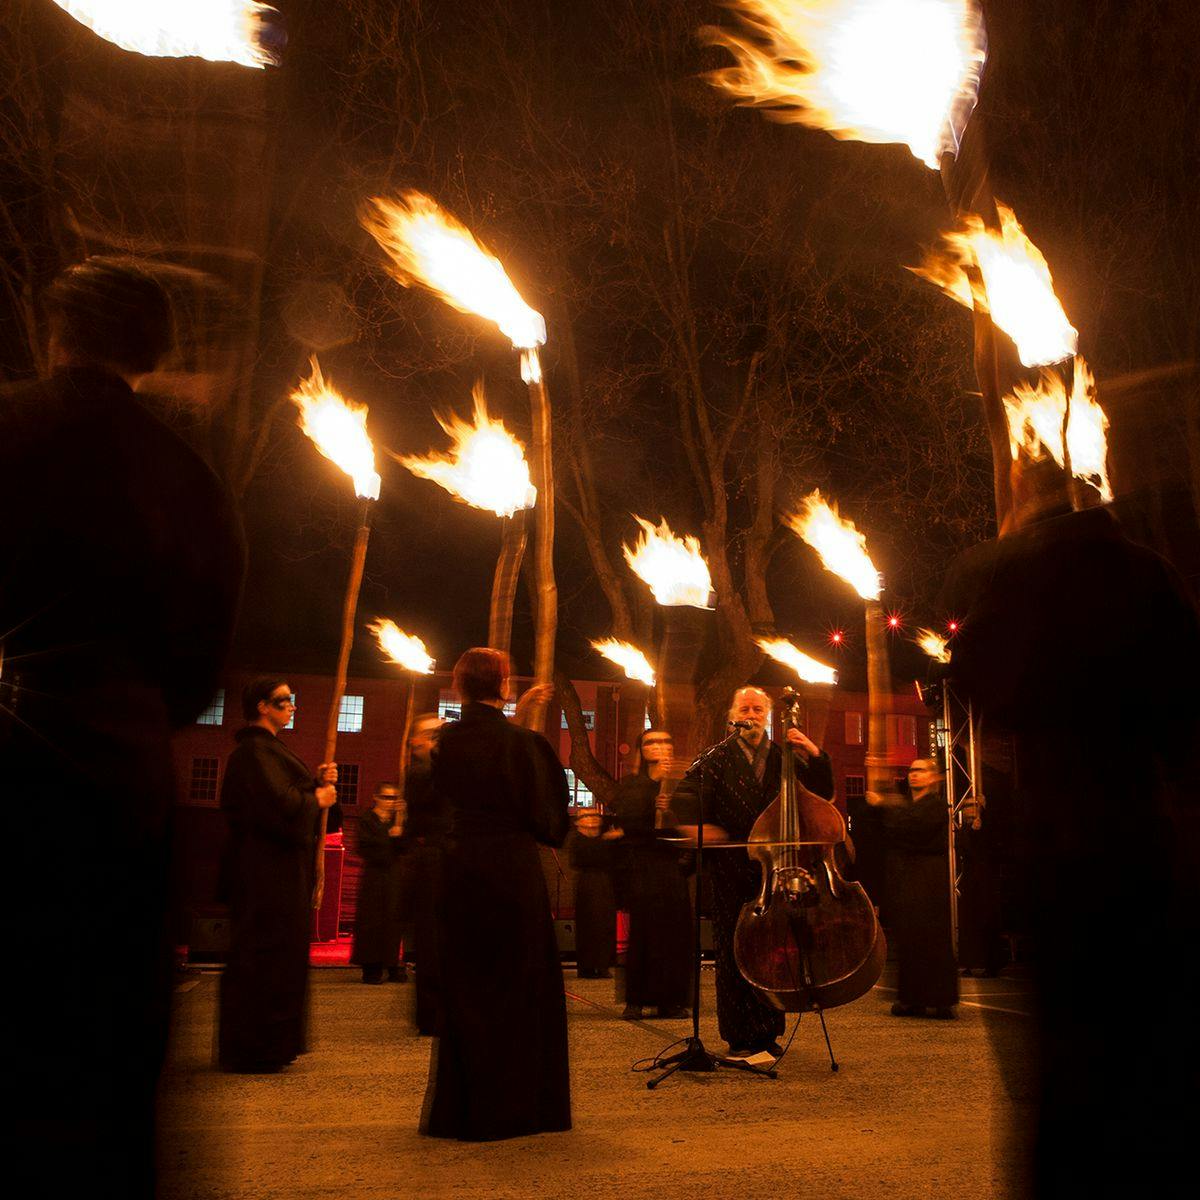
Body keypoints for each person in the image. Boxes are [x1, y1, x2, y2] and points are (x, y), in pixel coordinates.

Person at [0, 257, 244, 1197]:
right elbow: (197, 670)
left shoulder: (9, 427)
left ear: (54, 334)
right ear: (153, 354)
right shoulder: (189, 481)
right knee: (105, 1041)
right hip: (121, 783)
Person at [941, 456, 1200, 1195]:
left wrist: (1008, 554)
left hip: (1066, 845)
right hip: (1150, 839)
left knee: (1073, 1054)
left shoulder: (1023, 577)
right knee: (1153, 1040)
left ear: (1027, 498)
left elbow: (976, 676)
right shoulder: (1149, 573)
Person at [420, 650, 572, 1141]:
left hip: (460, 872)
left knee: (468, 988)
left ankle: (464, 1111)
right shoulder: (522, 744)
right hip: (510, 874)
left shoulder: (443, 744)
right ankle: (517, 1107)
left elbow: (434, 803)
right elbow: (549, 821)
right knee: (515, 987)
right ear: (503, 684)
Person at [672, 687, 833, 1058]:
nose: (751, 713)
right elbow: (686, 798)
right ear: (732, 715)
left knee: (773, 952)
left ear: (768, 715)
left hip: (776, 873)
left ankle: (768, 1034)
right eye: (744, 707)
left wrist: (813, 753)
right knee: (734, 951)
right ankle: (739, 1037)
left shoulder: (783, 758)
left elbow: (821, 794)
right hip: (731, 870)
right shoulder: (715, 759)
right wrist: (699, 827)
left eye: (758, 708)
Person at [217, 679, 338, 1072]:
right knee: (264, 956)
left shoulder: (271, 751)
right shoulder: (253, 752)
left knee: (281, 956)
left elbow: (288, 795)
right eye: (285, 702)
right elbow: (274, 806)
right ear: (263, 707)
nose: (293, 707)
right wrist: (314, 797)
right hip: (265, 877)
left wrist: (316, 784)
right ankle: (256, 1048)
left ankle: (274, 1044)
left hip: (282, 874)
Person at [610, 728, 692, 1019]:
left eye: (665, 742)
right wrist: (652, 799)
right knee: (644, 933)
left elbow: (689, 826)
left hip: (670, 869)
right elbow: (629, 822)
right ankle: (637, 998)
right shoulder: (632, 785)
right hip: (643, 866)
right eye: (651, 742)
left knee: (672, 934)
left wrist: (671, 814)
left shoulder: (682, 785)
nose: (659, 747)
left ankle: (671, 999)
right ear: (642, 750)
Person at [868, 759, 958, 1018]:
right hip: (906, 878)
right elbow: (887, 832)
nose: (914, 775)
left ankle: (941, 1000)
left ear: (933, 778)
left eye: (921, 771)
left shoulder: (936, 806)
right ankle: (912, 998)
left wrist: (886, 803)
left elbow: (911, 829)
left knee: (932, 938)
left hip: (928, 880)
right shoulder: (907, 806)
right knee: (909, 939)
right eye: (911, 771)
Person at [402, 713, 446, 1034]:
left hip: (447, 858)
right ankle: (431, 1014)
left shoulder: (441, 768)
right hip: (431, 859)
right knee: (431, 940)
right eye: (430, 734)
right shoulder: (418, 773)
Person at [352, 781, 409, 984]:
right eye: (386, 797)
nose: (389, 802)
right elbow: (364, 847)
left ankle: (392, 963)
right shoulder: (368, 820)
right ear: (376, 797)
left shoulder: (398, 820)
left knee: (392, 919)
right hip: (374, 875)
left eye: (393, 798)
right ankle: (371, 966)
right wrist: (388, 837)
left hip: (393, 875)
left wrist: (401, 827)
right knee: (372, 921)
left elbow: (404, 848)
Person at [567, 808, 619, 979]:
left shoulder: (607, 841)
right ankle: (588, 966)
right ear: (578, 822)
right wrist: (605, 839)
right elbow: (581, 859)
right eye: (587, 816)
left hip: (604, 883)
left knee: (605, 924)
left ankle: (602, 964)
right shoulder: (578, 841)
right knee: (589, 924)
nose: (593, 819)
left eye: (596, 815)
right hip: (588, 884)